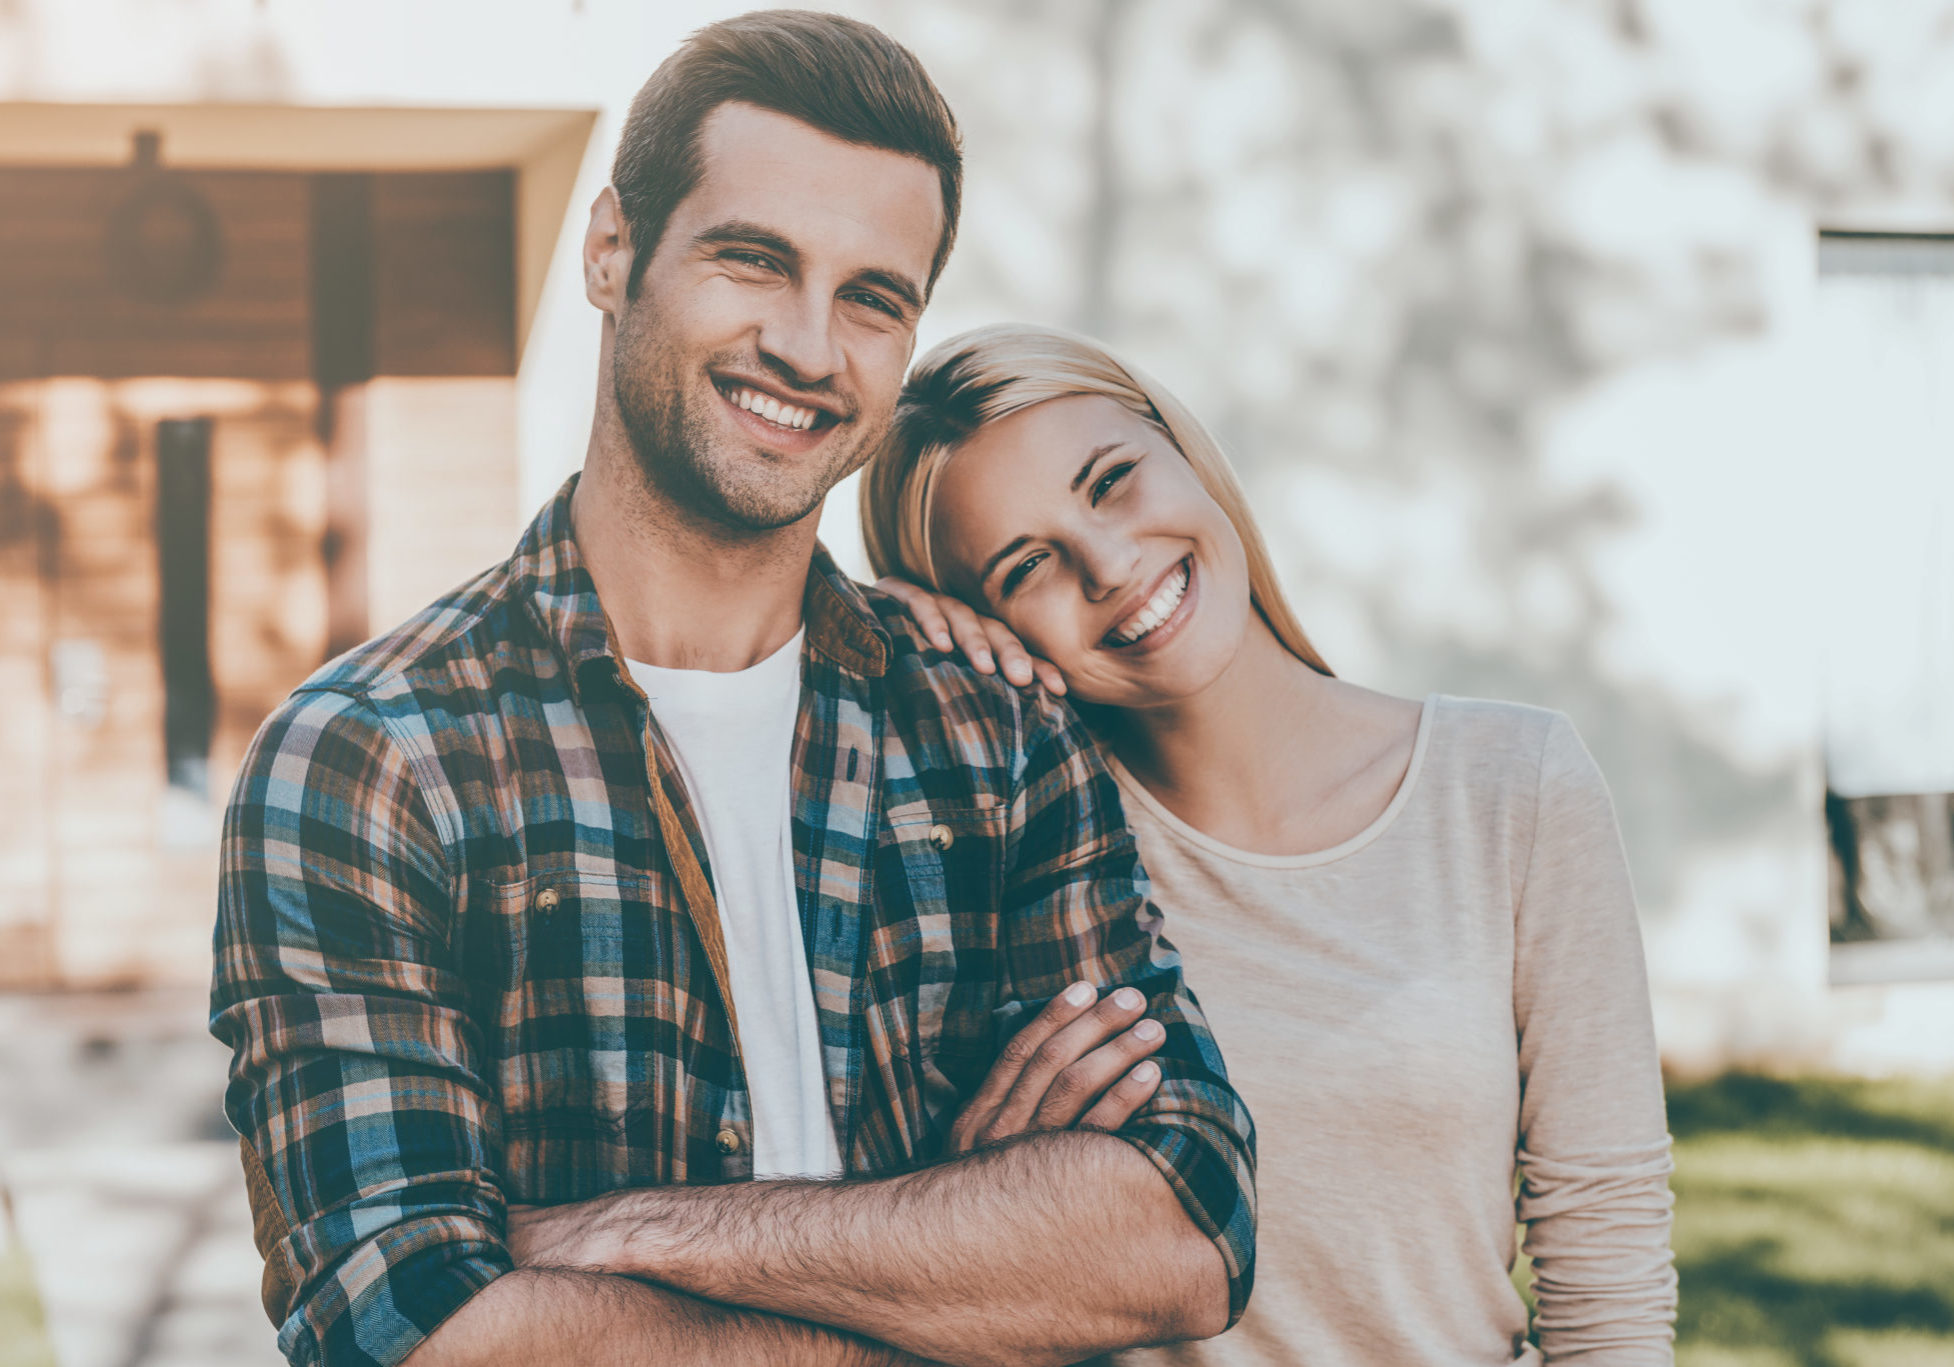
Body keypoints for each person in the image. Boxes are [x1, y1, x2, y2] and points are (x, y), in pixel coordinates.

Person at [209, 17, 1255, 1367]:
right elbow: (408, 1329)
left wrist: (618, 1231)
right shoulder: (371, 758)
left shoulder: (990, 726)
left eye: (872, 297)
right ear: (610, 251)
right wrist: (962, 1263)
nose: (811, 348)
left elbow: (1179, 1235)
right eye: (752, 258)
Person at [862, 322, 1680, 1367]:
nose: (1109, 564)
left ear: (1187, 454)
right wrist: (883, 639)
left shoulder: (1512, 784)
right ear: (984, 622)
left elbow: (1605, 1260)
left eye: (1111, 480)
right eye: (1027, 565)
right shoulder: (1021, 865)